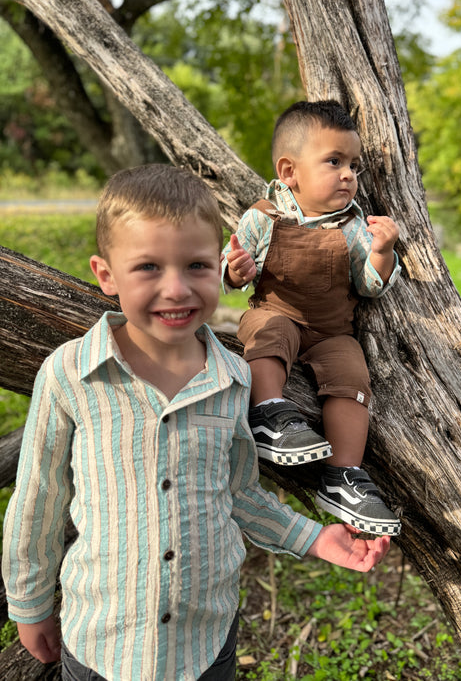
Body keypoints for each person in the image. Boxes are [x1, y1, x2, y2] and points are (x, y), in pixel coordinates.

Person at [2, 164, 390, 681]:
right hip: (100, 642)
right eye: (147, 268)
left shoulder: (232, 378)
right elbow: (39, 499)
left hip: (205, 644)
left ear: (223, 267)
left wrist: (316, 539)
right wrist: (29, 605)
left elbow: (239, 493)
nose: (177, 288)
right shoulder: (71, 374)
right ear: (106, 274)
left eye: (197, 266)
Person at [223, 100, 402, 537]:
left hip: (331, 331)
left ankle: (343, 475)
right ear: (289, 171)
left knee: (350, 371)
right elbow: (230, 269)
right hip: (275, 311)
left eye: (353, 165)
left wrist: (381, 253)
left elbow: (368, 285)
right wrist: (235, 270)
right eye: (334, 161)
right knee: (270, 333)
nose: (349, 175)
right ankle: (268, 412)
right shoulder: (264, 218)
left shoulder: (353, 226)